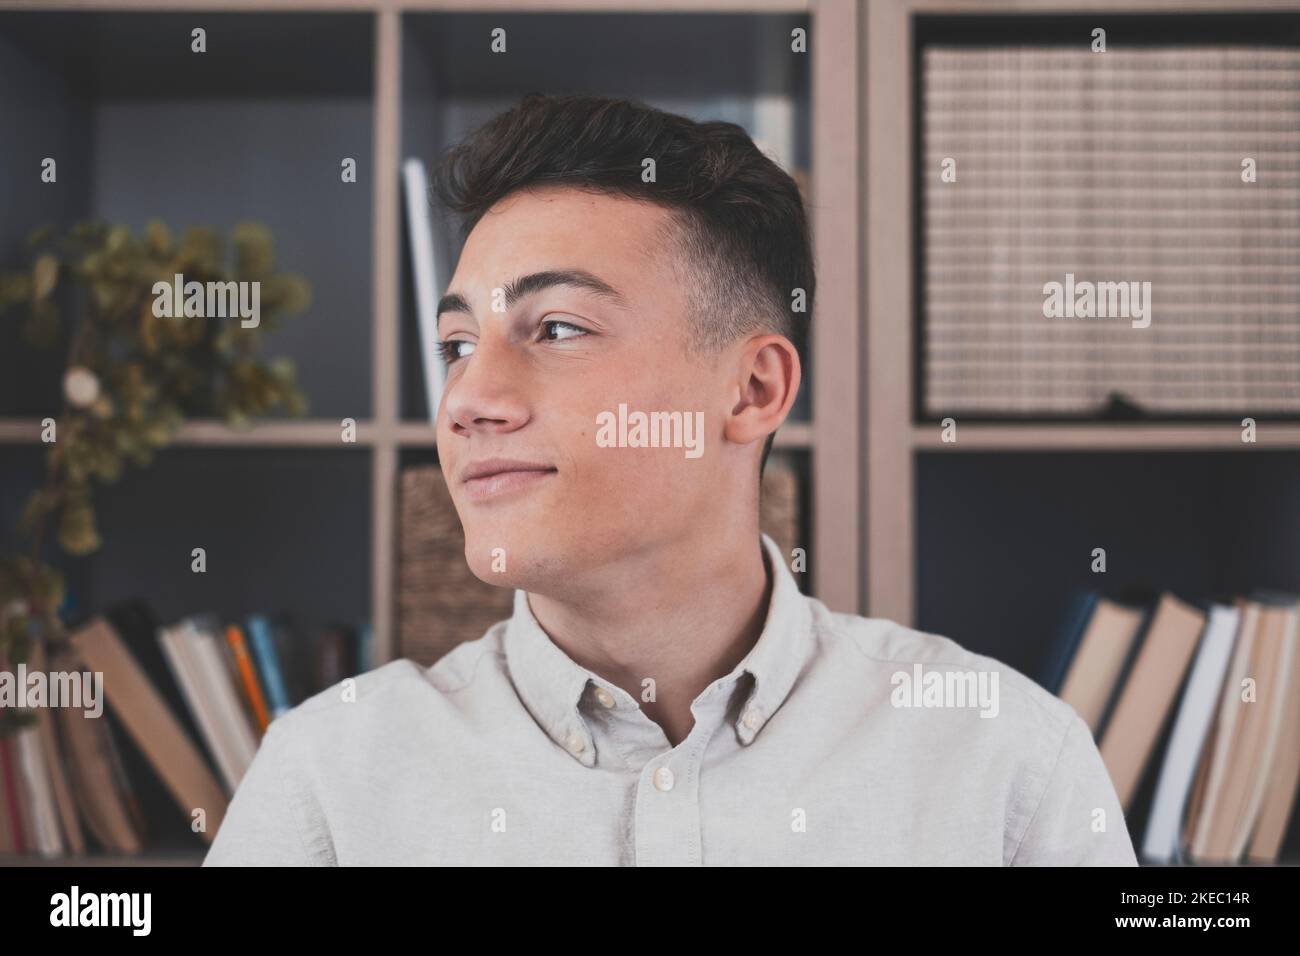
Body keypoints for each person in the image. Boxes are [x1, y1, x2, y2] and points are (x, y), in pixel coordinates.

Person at [204, 93, 1137, 866]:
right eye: (456, 344)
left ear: (753, 387)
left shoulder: (1006, 761)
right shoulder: (329, 780)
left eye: (558, 328)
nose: (468, 399)